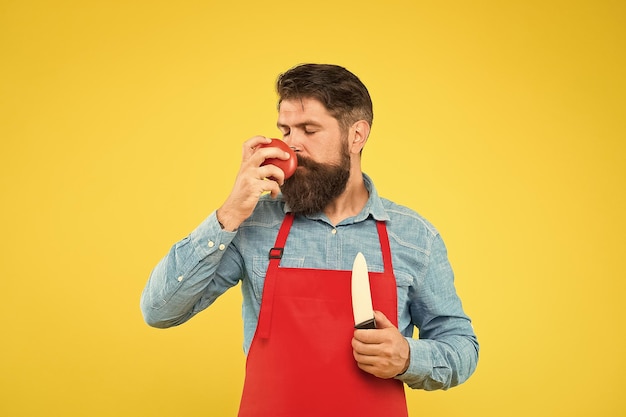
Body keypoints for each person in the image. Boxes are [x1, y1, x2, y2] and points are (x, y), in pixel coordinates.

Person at [140, 63, 479, 416]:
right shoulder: (254, 222)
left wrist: (409, 357)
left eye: (309, 129)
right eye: (285, 130)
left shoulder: (413, 237)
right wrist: (228, 214)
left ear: (356, 136)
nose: (290, 146)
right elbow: (160, 311)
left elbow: (462, 347)